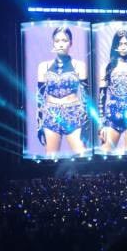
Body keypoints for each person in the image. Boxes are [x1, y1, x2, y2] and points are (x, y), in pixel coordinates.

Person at [37, 25, 88, 156]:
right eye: (57, 41)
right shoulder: (44, 67)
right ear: (53, 43)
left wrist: (86, 124)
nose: (60, 44)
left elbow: (86, 97)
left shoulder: (79, 66)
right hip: (51, 114)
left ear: (71, 43)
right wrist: (39, 125)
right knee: (51, 158)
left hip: (74, 113)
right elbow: (40, 98)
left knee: (82, 156)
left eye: (64, 40)